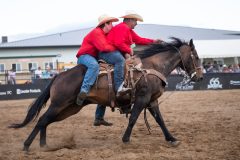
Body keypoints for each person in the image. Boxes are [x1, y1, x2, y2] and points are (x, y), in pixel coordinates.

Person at [75, 14, 120, 126]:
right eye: (111, 23)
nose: (113, 25)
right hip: (84, 56)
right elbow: (104, 47)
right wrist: (118, 47)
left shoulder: (103, 34)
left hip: (92, 57)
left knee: (105, 83)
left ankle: (99, 118)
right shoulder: (97, 33)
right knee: (94, 66)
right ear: (105, 24)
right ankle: (84, 90)